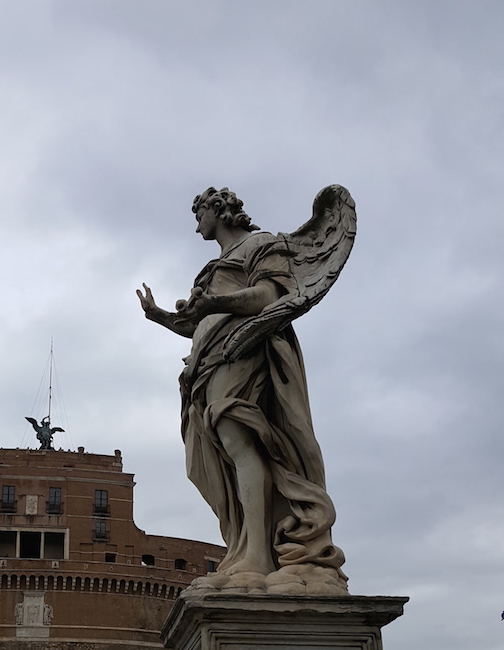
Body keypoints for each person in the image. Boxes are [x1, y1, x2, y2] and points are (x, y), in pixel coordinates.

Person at [137, 185, 352, 591]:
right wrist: (161, 316)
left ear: (218, 210)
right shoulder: (213, 266)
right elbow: (194, 324)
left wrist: (215, 305)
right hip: (207, 363)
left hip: (245, 349)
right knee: (221, 455)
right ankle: (244, 548)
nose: (197, 222)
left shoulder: (261, 245)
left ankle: (257, 555)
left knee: (240, 439)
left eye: (199, 212)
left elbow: (269, 296)